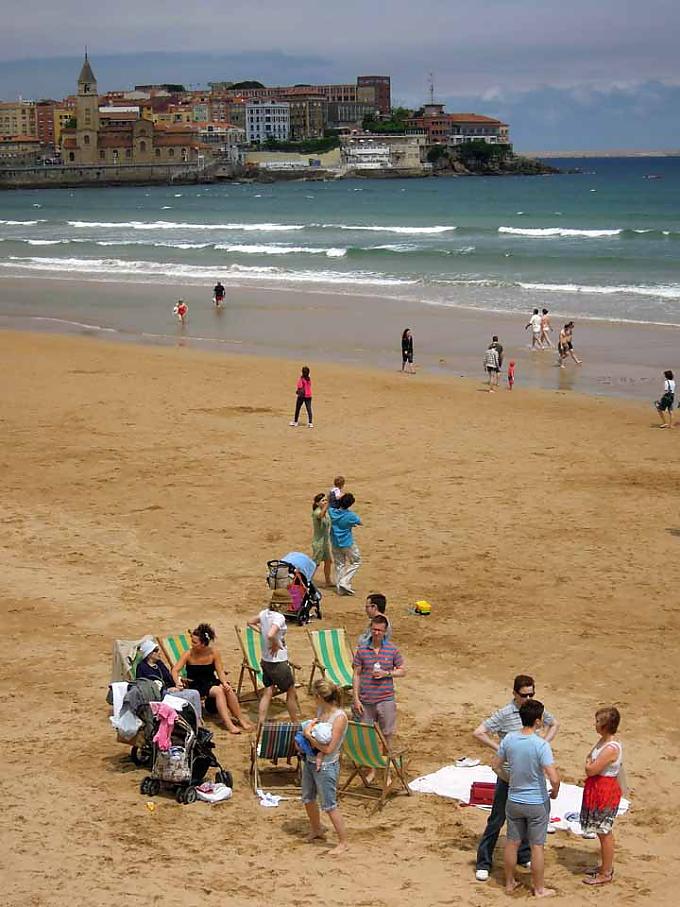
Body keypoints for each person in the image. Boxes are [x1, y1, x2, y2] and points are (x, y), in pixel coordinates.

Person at [473, 674, 559, 882]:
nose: (528, 699)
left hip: (529, 774)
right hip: (509, 776)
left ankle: (524, 855)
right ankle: (484, 862)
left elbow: (554, 724)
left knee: (529, 819)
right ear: (514, 694)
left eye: (532, 694)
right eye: (524, 695)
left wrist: (543, 744)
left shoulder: (533, 710)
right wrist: (501, 749)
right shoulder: (505, 713)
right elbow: (479, 732)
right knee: (497, 819)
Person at [492, 698, 561, 898]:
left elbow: (496, 764)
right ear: (538, 721)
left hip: (514, 799)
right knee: (537, 846)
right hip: (536, 801)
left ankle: (509, 882)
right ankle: (539, 888)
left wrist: (510, 779)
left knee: (512, 842)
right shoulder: (541, 745)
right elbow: (554, 777)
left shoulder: (509, 740)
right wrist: (555, 791)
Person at [171, 623, 254, 734]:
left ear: (203, 644)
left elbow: (220, 671)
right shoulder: (188, 654)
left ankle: (241, 720)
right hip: (195, 684)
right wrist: (177, 682)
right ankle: (229, 724)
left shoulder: (214, 653)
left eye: (195, 642)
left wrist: (224, 682)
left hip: (210, 681)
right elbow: (175, 670)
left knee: (227, 689)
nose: (192, 644)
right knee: (218, 690)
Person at [301, 679, 349, 855]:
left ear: (320, 697)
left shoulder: (339, 717)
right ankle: (316, 829)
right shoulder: (321, 711)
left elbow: (329, 748)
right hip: (311, 760)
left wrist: (308, 736)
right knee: (308, 797)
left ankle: (343, 841)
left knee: (329, 804)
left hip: (327, 765)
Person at [580, 707, 624, 887]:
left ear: (606, 725)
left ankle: (606, 872)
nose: (595, 724)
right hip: (598, 788)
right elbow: (590, 759)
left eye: (598, 721)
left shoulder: (611, 748)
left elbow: (591, 768)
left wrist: (589, 764)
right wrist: (589, 763)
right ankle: (604, 867)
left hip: (604, 791)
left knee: (604, 831)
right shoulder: (603, 742)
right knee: (601, 830)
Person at [352, 614, 405, 757]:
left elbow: (402, 671)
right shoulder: (362, 650)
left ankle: (386, 768)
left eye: (379, 630)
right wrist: (356, 699)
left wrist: (386, 673)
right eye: (374, 629)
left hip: (385, 698)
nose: (376, 633)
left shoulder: (392, 650)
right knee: (368, 738)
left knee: (387, 734)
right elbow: (356, 674)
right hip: (366, 700)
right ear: (370, 629)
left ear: (385, 632)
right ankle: (372, 769)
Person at [247, 589, 300, 726]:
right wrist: (276, 642)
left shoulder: (264, 613)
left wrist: (262, 633)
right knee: (290, 690)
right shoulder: (279, 618)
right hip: (278, 661)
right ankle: (295, 722)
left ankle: (261, 721)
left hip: (266, 660)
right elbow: (271, 634)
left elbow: (250, 622)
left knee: (268, 691)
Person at [135, 639, 203, 718]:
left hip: (170, 691)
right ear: (149, 654)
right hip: (159, 695)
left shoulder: (159, 663)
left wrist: (177, 685)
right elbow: (142, 685)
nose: (159, 652)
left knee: (195, 693)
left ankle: (196, 719)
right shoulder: (142, 667)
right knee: (193, 694)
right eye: (156, 650)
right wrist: (166, 689)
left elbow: (169, 677)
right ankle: (195, 720)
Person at [329, 492, 362, 595]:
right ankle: (344, 582)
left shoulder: (332, 512)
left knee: (339, 564)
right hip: (347, 543)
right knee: (356, 561)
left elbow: (331, 504)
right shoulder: (351, 515)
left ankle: (340, 588)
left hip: (334, 542)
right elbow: (360, 522)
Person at [311, 492, 333, 587]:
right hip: (318, 542)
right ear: (317, 503)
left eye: (325, 500)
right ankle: (308, 579)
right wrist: (327, 504)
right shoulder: (316, 512)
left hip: (324, 542)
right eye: (322, 500)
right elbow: (320, 515)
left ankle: (328, 581)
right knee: (315, 563)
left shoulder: (326, 512)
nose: (324, 502)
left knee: (328, 561)